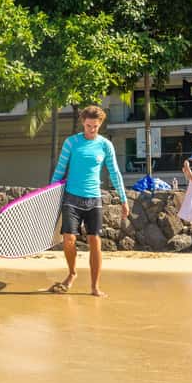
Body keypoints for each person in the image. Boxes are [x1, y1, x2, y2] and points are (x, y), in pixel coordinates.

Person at [50, 105, 129, 297]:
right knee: (69, 239)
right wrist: (51, 195)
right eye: (88, 126)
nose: (91, 130)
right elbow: (60, 170)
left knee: (95, 240)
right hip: (71, 196)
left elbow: (114, 172)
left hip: (94, 198)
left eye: (95, 126)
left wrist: (123, 198)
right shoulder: (71, 142)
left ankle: (95, 286)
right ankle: (72, 273)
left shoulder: (105, 145)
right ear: (83, 123)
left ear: (100, 124)